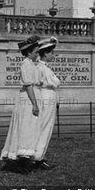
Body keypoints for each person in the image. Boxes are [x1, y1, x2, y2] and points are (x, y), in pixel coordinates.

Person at [0, 35, 42, 174]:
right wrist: (35, 104)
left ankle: (26, 159)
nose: (38, 54)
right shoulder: (26, 65)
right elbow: (29, 86)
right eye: (36, 52)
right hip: (27, 100)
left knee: (30, 127)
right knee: (26, 128)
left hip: (30, 98)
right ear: (29, 53)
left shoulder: (31, 64)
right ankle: (22, 162)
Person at [33, 37, 61, 170]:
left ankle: (38, 156)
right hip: (46, 98)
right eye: (51, 53)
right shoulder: (42, 68)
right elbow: (55, 83)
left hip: (48, 96)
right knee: (44, 127)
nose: (53, 55)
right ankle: (38, 158)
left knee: (44, 127)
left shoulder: (43, 68)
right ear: (45, 54)